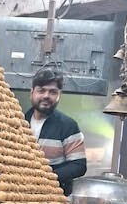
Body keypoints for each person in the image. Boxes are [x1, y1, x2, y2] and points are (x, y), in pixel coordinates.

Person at [25, 68, 86, 196]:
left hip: (53, 200)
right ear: (32, 93)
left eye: (52, 92)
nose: (46, 96)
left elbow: (79, 165)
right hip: (20, 195)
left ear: (59, 95)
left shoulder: (68, 126)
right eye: (41, 90)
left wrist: (46, 177)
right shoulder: (18, 122)